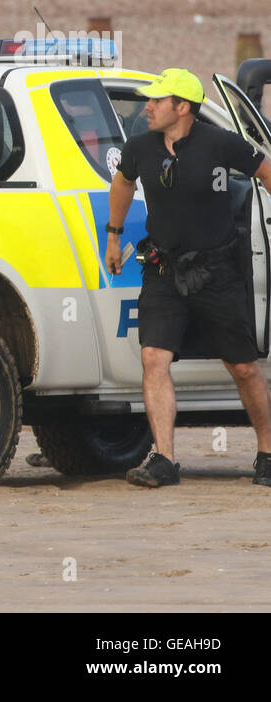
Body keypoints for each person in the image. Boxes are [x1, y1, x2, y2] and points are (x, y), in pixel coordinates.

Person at [105, 68, 271, 488]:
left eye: (157, 101)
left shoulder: (220, 143)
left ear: (182, 107)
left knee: (244, 368)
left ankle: (267, 452)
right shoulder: (139, 147)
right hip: (162, 270)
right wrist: (114, 234)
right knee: (153, 359)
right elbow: (123, 182)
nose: (148, 106)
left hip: (217, 272)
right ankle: (164, 459)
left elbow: (266, 171)